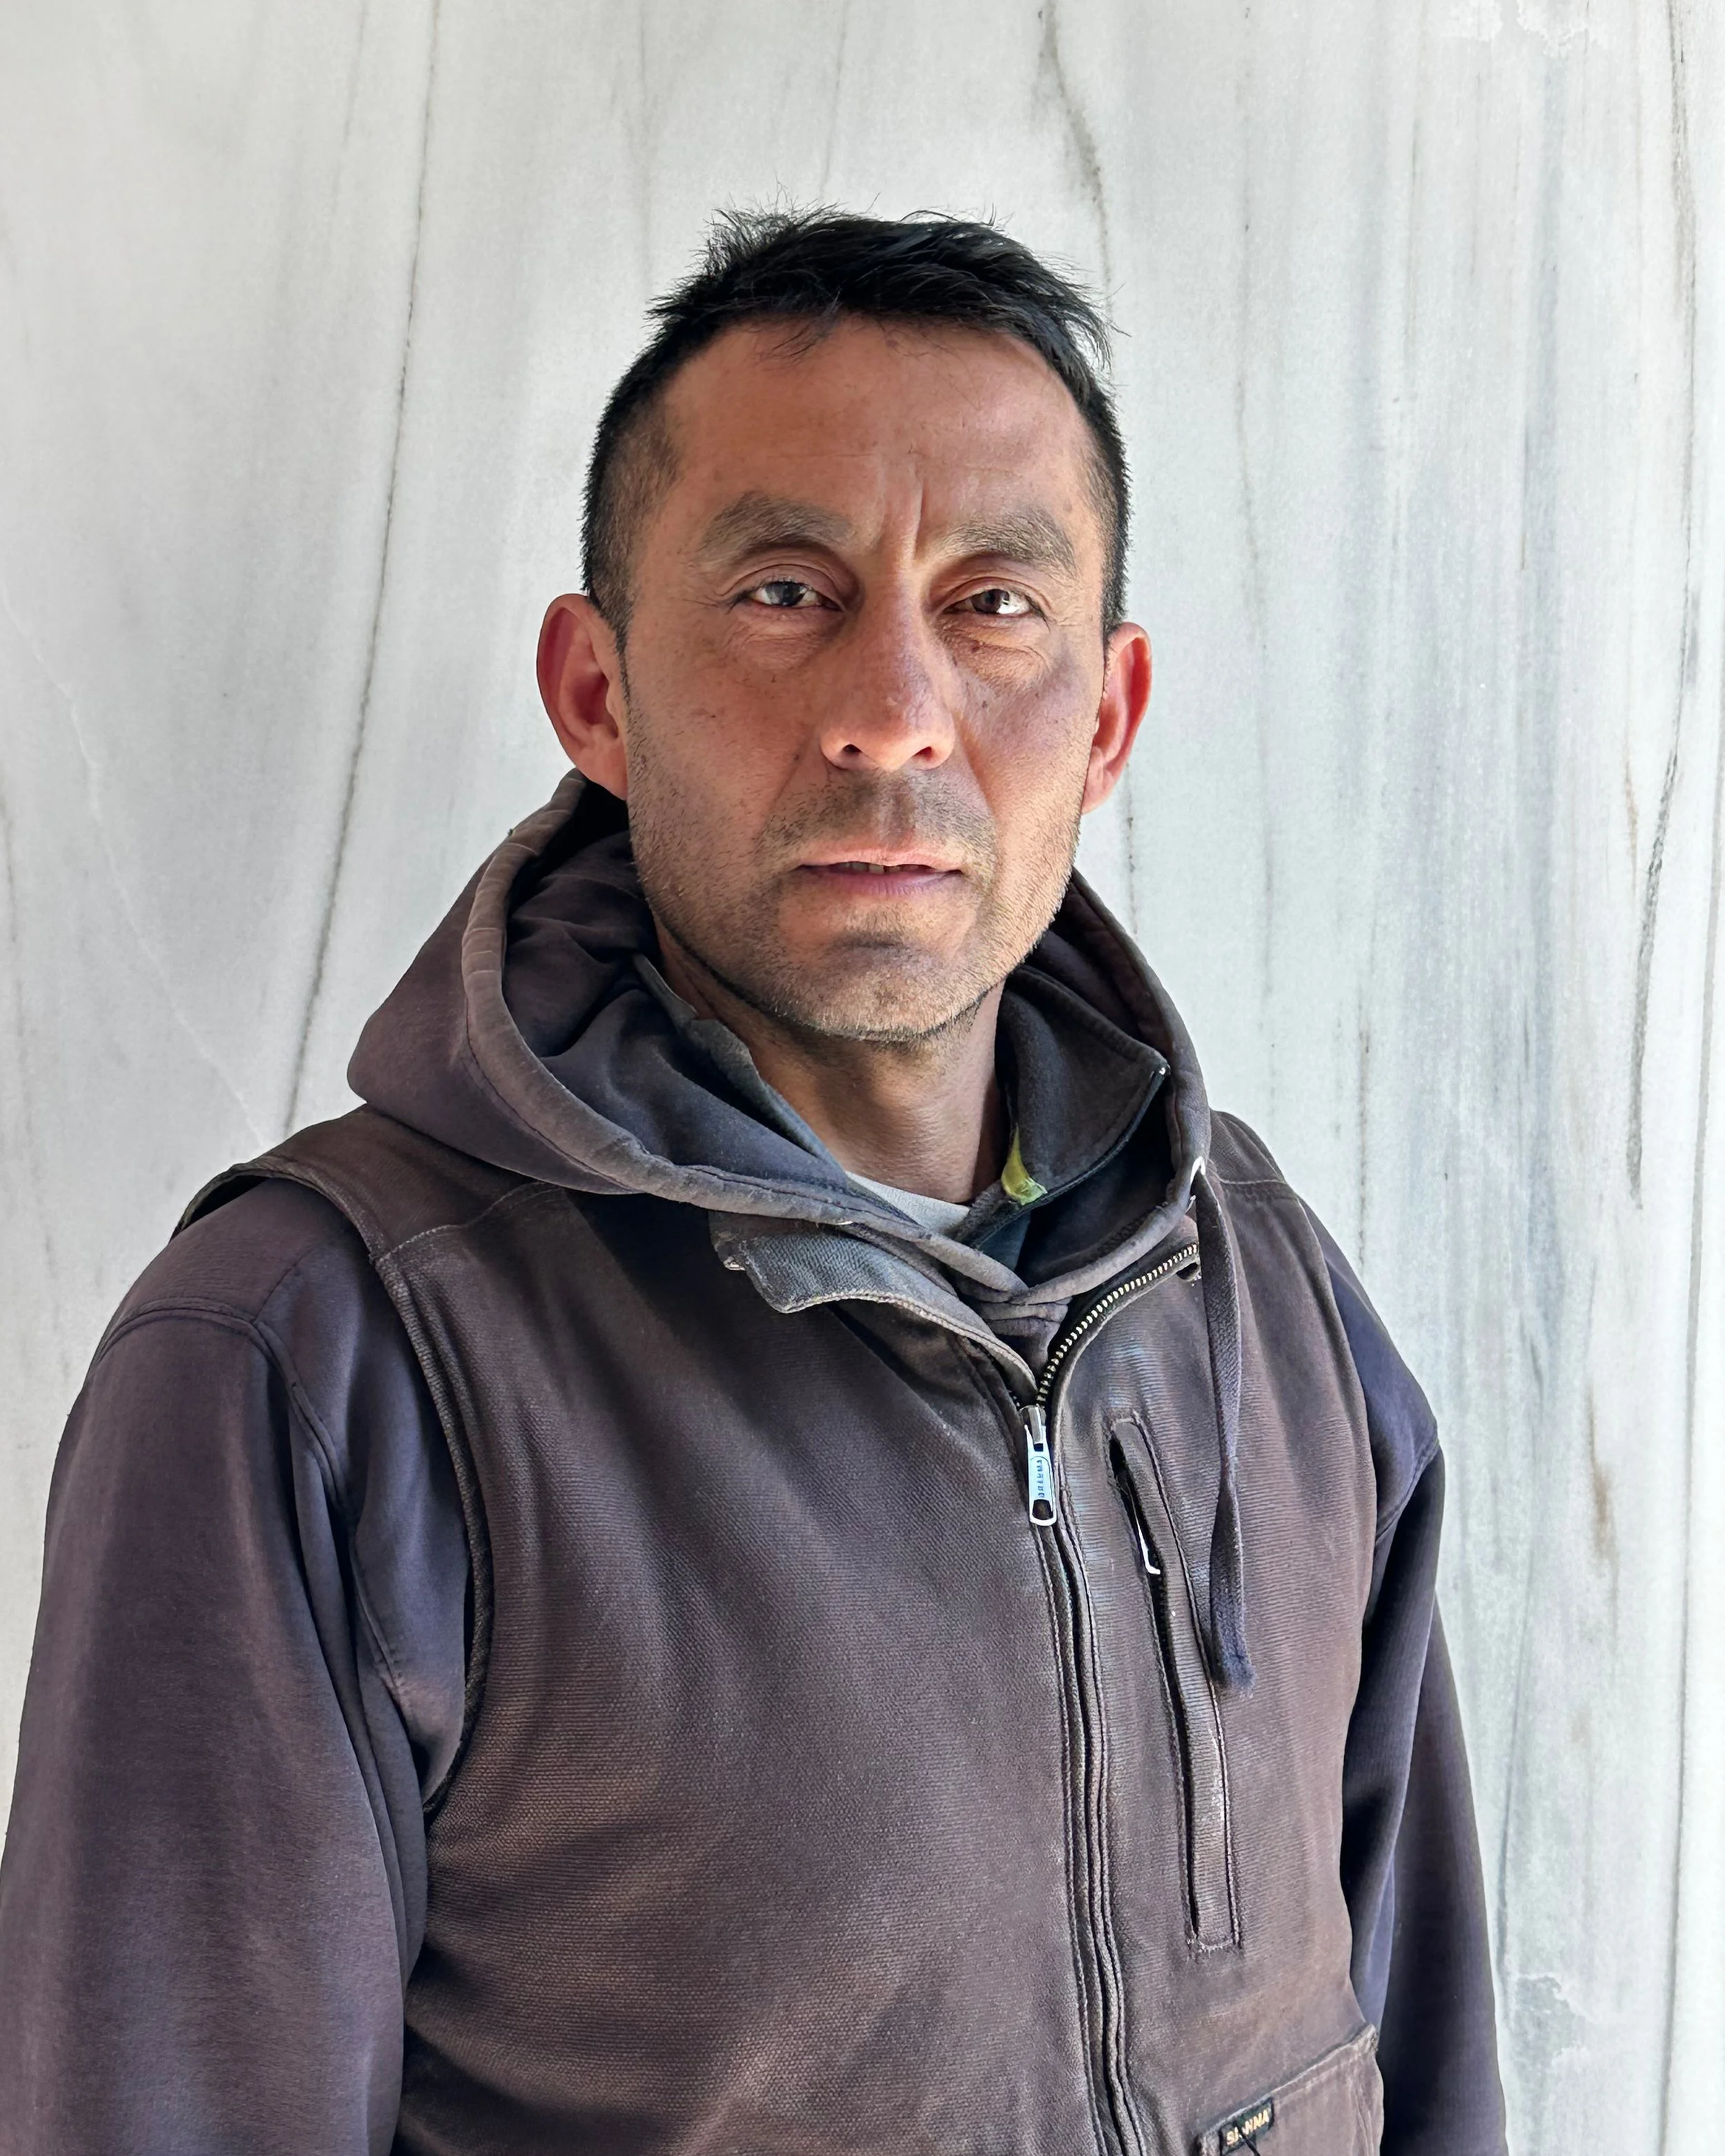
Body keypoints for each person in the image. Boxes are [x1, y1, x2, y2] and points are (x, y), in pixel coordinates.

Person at [0, 209, 1506, 2156]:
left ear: (1110, 716)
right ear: (595, 690)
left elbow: (1424, 2048)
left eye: (993, 603)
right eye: (787, 590)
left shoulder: (1257, 1281)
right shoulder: (315, 1352)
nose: (892, 708)